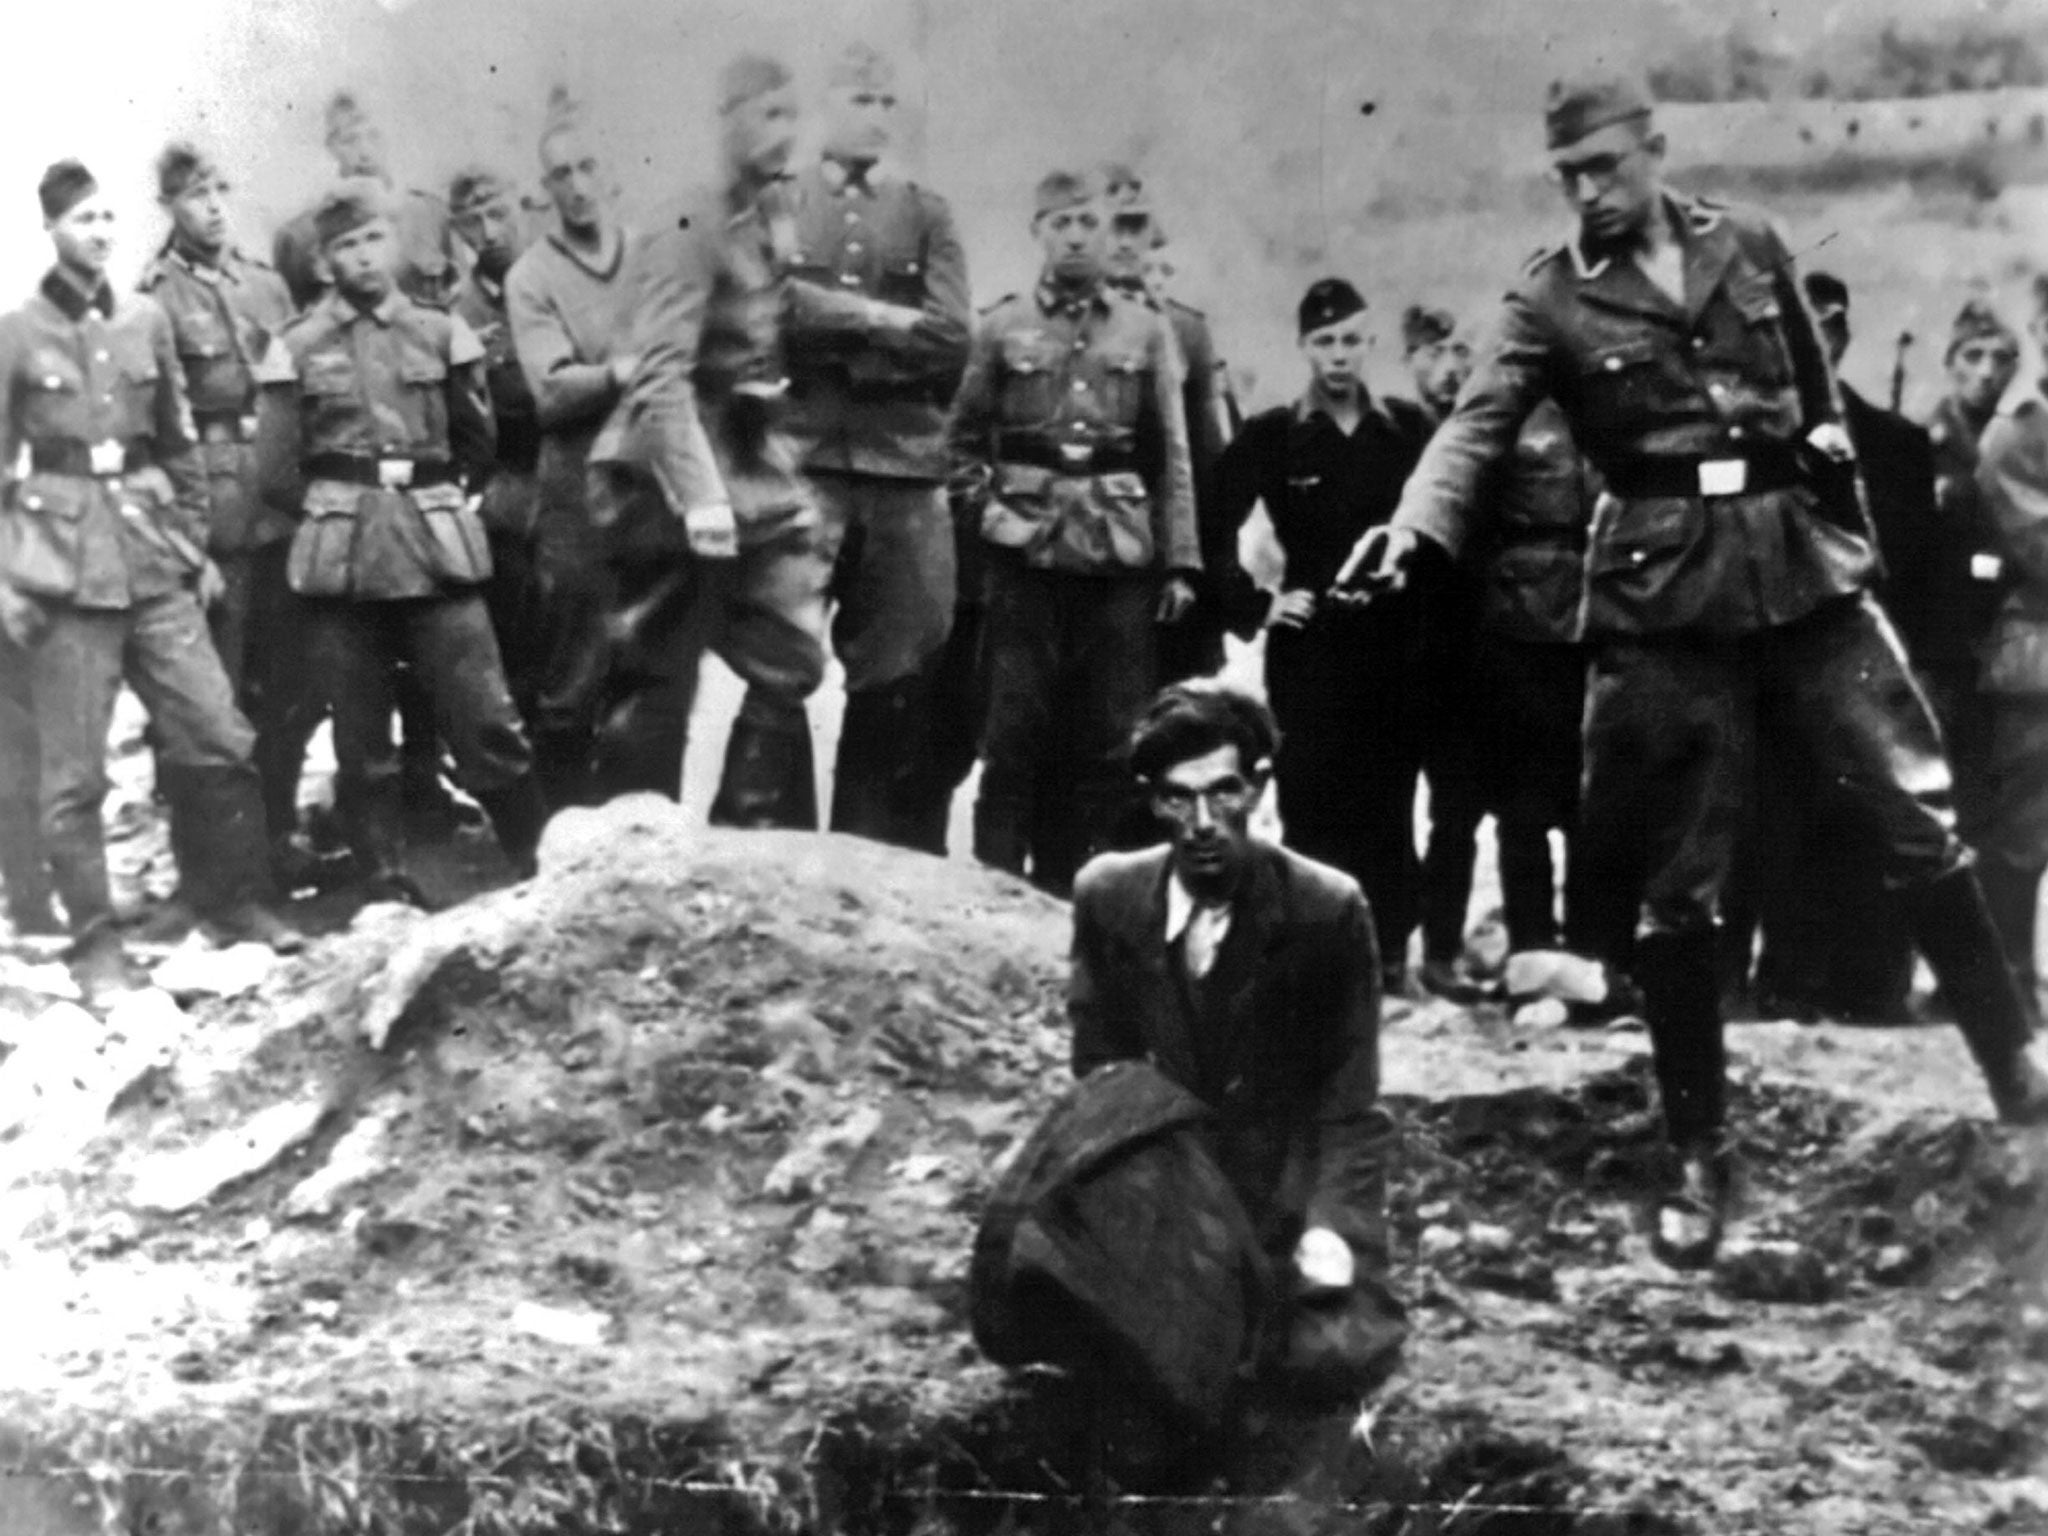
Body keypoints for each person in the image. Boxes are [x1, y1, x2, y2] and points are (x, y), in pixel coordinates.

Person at [1345, 74, 2048, 1270]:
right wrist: (1415, 529)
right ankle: (1694, 1151)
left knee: (1917, 811)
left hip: (1803, 574)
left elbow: (1821, 415)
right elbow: (1474, 422)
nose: (1585, 192)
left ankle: (2014, 1066)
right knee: (1683, 879)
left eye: (1604, 169)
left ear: (1653, 153)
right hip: (1663, 600)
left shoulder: (1752, 243)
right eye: (1565, 175)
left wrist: (1852, 547)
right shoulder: (1551, 295)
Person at [982, 681, 1403, 1426]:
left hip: (1280, 1203)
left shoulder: (1327, 908)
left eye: (1225, 792)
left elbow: (1349, 1112)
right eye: (1179, 799)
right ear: (1151, 801)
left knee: (1324, 1356)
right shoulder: (1109, 895)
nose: (1204, 823)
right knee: (1065, 1329)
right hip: (1166, 1199)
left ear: (1260, 787)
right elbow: (1105, 1086)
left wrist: (1330, 1231)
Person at [0, 160, 299, 1000]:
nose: (97, 232)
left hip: (153, 562)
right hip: (65, 577)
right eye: (80, 220)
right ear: (49, 231)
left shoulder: (145, 321)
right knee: (75, 775)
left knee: (219, 734)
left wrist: (194, 544)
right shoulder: (17, 333)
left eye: (105, 219)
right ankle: (97, 946)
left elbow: (178, 444)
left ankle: (236, 903)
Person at [253, 180, 549, 898]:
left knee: (486, 717)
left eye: (373, 238)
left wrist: (423, 499)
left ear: (396, 241)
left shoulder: (441, 331)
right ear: (324, 262)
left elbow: (476, 443)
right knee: (362, 738)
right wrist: (341, 508)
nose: (362, 257)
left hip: (432, 545)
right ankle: (383, 881)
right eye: (345, 246)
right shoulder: (294, 346)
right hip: (343, 561)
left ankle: (543, 866)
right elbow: (275, 470)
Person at [587, 53, 832, 826]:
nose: (785, 133)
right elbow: (659, 376)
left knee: (793, 657)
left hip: (744, 461)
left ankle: (740, 830)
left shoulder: (761, 217)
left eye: (793, 115)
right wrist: (700, 499)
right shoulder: (690, 218)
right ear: (726, 120)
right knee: (657, 677)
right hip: (665, 476)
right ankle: (632, 853)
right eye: (767, 115)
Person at [946, 168, 1199, 891]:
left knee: (1115, 744)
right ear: (1038, 233)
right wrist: (997, 520)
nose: (1079, 236)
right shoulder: (999, 327)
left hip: (1119, 565)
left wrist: (1181, 563)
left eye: (1090, 222)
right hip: (1025, 563)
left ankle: (1090, 906)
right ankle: (993, 904)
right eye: (1062, 223)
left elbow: (1170, 456)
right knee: (1014, 740)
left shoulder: (1146, 331)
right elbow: (959, 450)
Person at [1722, 271, 1937, 1022]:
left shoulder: (1898, 446)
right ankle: (1779, 981)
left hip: (1863, 668)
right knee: (1773, 824)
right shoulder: (1744, 446)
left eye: (1831, 327)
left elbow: (1915, 571)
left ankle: (1869, 987)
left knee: (1867, 828)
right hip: (1771, 668)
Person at [779, 41, 972, 845]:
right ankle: (769, 860)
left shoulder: (928, 212)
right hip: (801, 464)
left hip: (902, 468)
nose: (878, 117)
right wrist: (884, 321)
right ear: (825, 109)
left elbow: (952, 338)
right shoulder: (781, 204)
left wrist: (828, 319)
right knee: (776, 663)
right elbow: (765, 309)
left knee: (895, 673)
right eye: (861, 100)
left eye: (889, 103)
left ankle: (864, 862)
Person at [1208, 279, 1424, 992]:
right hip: (1312, 647)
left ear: (1373, 344)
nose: (1339, 355)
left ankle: (1389, 957)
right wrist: (1259, 605)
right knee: (1311, 796)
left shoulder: (1407, 430)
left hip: (1392, 642)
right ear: (1303, 347)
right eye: (1324, 342)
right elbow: (1210, 522)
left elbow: (1445, 520)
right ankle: (1314, 959)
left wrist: (1412, 581)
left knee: (1390, 798)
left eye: (1351, 340)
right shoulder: (1275, 434)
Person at [138, 143, 316, 879]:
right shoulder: (153, 299)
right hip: (213, 516)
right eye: (193, 194)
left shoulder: (268, 288)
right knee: (216, 699)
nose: (212, 205)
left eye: (219, 189)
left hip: (282, 502)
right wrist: (188, 545)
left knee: (294, 689)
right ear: (168, 208)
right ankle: (212, 872)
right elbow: (154, 428)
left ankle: (273, 841)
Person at [505, 87, 641, 808]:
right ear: (545, 186)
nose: (578, 186)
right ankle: (560, 854)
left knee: (647, 676)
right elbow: (551, 390)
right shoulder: (531, 277)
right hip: (577, 502)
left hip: (649, 495)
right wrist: (624, 369)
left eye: (589, 167)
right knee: (574, 680)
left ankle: (642, 849)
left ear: (611, 170)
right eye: (561, 174)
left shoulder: (650, 255)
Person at [1386, 305, 1492, 1000]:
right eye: (1434, 352)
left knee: (1458, 807)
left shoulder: (1486, 437)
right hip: (1393, 649)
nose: (1449, 367)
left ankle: (1444, 950)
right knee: (1387, 800)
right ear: (1409, 360)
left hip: (1468, 649)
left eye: (1461, 351)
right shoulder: (1389, 432)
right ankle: (1390, 946)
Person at [1100, 166, 1233, 685]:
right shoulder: (1037, 322)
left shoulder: (1186, 331)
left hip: (1155, 556)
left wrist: (1199, 572)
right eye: (1113, 226)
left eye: (1135, 228)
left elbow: (1208, 466)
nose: (1125, 242)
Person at [1973, 276, 2048, 1023]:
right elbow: (2038, 542)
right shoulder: (2021, 430)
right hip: (2038, 661)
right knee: (2023, 838)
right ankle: (2009, 987)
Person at [1921, 300, 2022, 844]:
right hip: (1945, 648)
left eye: (2003, 358)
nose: (1988, 372)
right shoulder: (1921, 446)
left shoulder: (2023, 445)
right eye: (1974, 355)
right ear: (1950, 360)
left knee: (1998, 800)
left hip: (2005, 645)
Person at [447, 166, 543, 727]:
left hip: (576, 477)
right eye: (473, 221)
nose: (489, 231)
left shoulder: (560, 282)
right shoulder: (461, 315)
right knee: (522, 650)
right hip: (510, 485)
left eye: (498, 213)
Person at [271, 91, 462, 312]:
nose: (365, 152)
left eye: (374, 136)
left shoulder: (428, 212)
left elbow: (460, 295)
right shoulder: (299, 237)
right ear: (331, 147)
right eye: (349, 141)